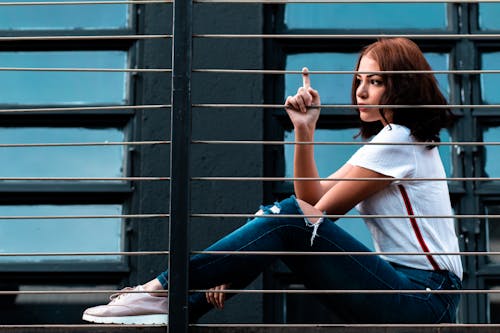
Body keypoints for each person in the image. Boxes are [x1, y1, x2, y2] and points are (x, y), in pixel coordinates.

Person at [82, 37, 463, 325]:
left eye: (375, 81)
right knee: (283, 220)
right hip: (411, 290)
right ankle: (174, 307)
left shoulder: (399, 137)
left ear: (402, 84)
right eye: (359, 79)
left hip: (425, 294)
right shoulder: (393, 140)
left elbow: (309, 213)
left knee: (283, 218)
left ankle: (161, 292)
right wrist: (304, 130)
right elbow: (313, 201)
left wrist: (238, 267)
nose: (361, 91)